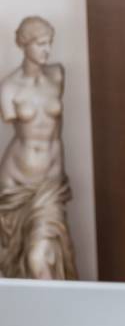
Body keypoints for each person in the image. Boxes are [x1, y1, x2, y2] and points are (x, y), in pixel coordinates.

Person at [0, 16, 77, 280]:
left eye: (49, 44)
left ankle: (55, 315)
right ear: (24, 45)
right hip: (15, 186)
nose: (47, 50)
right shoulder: (8, 88)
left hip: (49, 185)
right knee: (17, 259)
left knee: (38, 256)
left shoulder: (57, 75)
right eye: (41, 44)